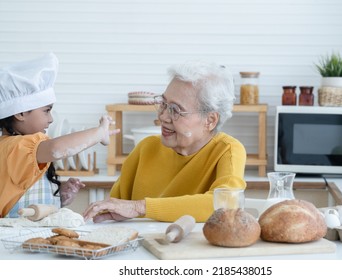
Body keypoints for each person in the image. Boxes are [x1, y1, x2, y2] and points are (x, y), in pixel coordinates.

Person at [83, 60, 247, 223]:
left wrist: (139, 207)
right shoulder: (146, 148)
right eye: (163, 104)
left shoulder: (228, 150)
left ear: (210, 120)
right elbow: (116, 207)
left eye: (175, 110)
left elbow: (225, 205)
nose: (162, 116)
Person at [0, 53, 119, 218]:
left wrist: (59, 197)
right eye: (46, 111)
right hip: (18, 232)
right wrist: (99, 133)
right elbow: (56, 149)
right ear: (20, 113)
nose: (51, 119)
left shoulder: (18, 149)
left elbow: (20, 194)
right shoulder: (17, 146)